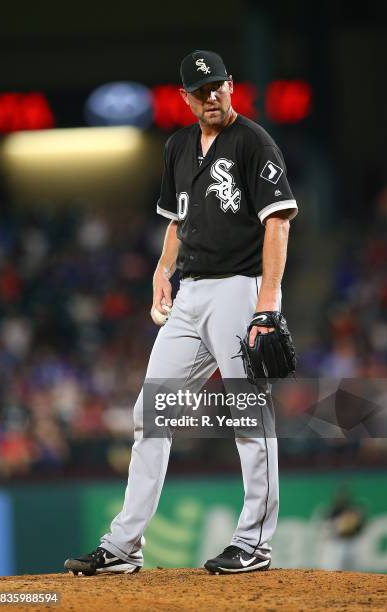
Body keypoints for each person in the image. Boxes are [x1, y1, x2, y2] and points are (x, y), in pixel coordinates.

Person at [65, 49, 298, 576]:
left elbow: (279, 222)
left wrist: (266, 308)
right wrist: (161, 271)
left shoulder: (253, 142)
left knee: (248, 417)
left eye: (218, 86)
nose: (211, 95)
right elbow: (176, 220)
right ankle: (124, 546)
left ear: (231, 85)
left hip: (242, 289)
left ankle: (254, 542)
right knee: (151, 415)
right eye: (200, 90)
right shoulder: (177, 147)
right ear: (185, 98)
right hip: (191, 294)